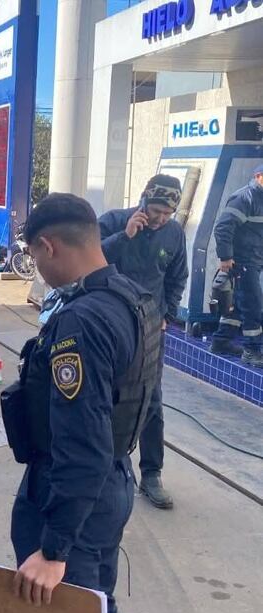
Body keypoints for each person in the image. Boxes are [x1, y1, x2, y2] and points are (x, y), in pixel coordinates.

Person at [7, 193, 161, 613]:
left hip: (71, 494)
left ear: (49, 246)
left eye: (33, 257)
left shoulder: (81, 321)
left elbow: (82, 442)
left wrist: (53, 548)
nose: (37, 269)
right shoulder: (133, 298)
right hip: (111, 484)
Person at [98, 174, 187, 509]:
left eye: (167, 213)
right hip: (110, 323)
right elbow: (89, 258)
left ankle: (152, 473)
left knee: (151, 400)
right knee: (105, 395)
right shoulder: (114, 222)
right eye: (156, 210)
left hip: (150, 327)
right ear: (143, 201)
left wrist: (169, 313)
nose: (160, 218)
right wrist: (125, 237)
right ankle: (103, 468)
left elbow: (178, 275)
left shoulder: (174, 233)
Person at [211, 164, 263, 368]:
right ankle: (252, 351)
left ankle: (220, 341)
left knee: (239, 303)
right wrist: (225, 257)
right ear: (258, 176)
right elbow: (223, 227)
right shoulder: (245, 198)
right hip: (243, 260)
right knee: (252, 304)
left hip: (256, 258)